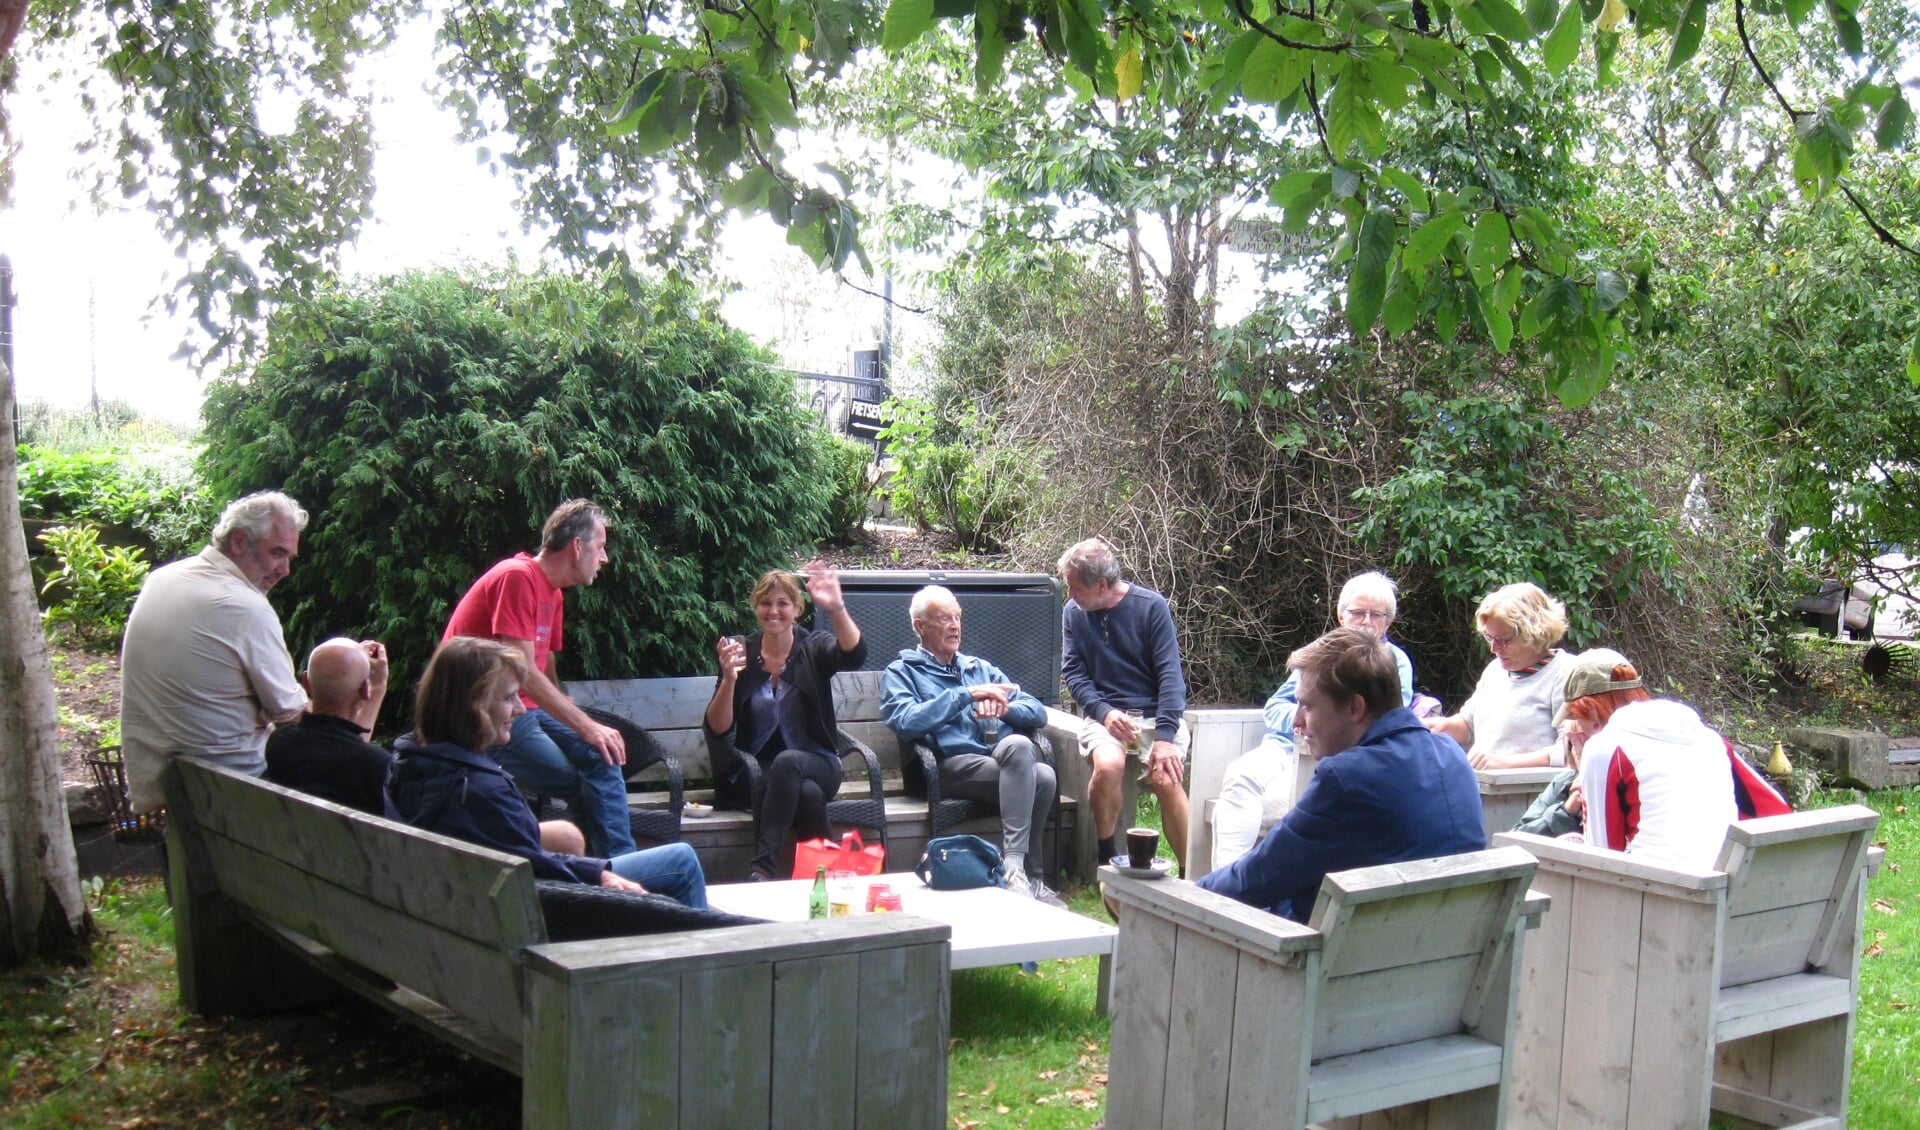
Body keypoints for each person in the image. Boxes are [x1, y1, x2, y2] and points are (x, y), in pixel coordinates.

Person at [388, 637, 707, 906]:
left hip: (470, 908)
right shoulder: (479, 790)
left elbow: (518, 854)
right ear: (477, 707)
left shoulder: (409, 763)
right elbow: (533, 869)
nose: (521, 708)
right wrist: (597, 874)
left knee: (569, 836)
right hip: (547, 915)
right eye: (510, 697)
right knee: (681, 861)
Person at [1197, 628, 1487, 922]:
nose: (1297, 721)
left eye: (1307, 706)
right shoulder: (1452, 755)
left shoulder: (1348, 779)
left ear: (1355, 707)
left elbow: (1256, 877)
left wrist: (1188, 896)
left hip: (1342, 962)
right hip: (1434, 952)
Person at [442, 499, 636, 858]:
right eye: (601, 546)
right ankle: (612, 875)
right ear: (577, 546)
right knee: (584, 784)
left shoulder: (554, 594)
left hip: (523, 708)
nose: (605, 558)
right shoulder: (516, 577)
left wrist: (569, 712)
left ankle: (613, 870)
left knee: (603, 755)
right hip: (488, 715)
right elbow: (523, 670)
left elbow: (544, 665)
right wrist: (586, 726)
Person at [120, 490, 310, 815]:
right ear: (239, 542)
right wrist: (363, 692)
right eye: (277, 553)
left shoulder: (162, 578)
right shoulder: (245, 607)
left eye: (289, 557)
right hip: (231, 792)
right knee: (342, 770)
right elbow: (294, 719)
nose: (284, 570)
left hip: (164, 785)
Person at [1214, 571, 1417, 870]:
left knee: (1267, 807)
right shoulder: (1322, 653)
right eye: (1358, 612)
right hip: (1283, 745)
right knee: (1239, 777)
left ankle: (1231, 892)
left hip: (1325, 758)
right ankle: (1218, 893)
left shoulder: (1391, 661)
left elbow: (1387, 717)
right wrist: (1300, 721)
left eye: (1377, 615)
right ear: (1340, 615)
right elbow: (1276, 705)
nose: (1366, 621)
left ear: (1389, 621)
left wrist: (1316, 724)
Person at [881, 585, 1061, 903]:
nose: (955, 625)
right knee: (1037, 771)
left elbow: (1036, 711)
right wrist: (966, 695)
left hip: (998, 758)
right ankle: (1022, 873)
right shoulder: (902, 672)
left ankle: (1023, 875)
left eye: (957, 617)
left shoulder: (979, 668)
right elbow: (906, 721)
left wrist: (1007, 708)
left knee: (1038, 767)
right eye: (944, 618)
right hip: (947, 765)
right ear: (920, 626)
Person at [703, 562, 867, 881]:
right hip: (758, 771)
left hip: (819, 763)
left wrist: (836, 608)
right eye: (765, 603)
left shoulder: (813, 647)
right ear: (755, 608)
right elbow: (718, 728)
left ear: (797, 609)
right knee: (805, 795)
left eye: (783, 603)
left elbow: (854, 654)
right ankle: (827, 874)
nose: (773, 611)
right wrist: (728, 679)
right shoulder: (743, 652)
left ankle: (763, 868)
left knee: (789, 762)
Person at [1562, 649, 1790, 868]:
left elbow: (1602, 857)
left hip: (1654, 892)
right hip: (1721, 879)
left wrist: (1585, 776)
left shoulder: (1604, 749)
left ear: (1592, 714)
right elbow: (1777, 810)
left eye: (1574, 716)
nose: (1575, 729)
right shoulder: (1709, 739)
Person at [1059, 537, 1192, 875]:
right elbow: (1073, 674)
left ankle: (1193, 874)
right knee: (1108, 766)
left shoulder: (1151, 607)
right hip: (1105, 714)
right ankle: (1107, 859)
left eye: (1075, 588)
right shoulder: (1073, 613)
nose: (1070, 595)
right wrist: (1104, 712)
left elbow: (1171, 677)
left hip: (1154, 714)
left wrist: (1164, 738)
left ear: (1102, 585)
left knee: (1167, 777)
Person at [1425, 582, 1578, 770]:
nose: (1494, 648)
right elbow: (1468, 726)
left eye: (1503, 640)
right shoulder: (1495, 670)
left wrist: (1506, 763)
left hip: (1533, 793)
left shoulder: (1566, 672)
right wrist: (1430, 726)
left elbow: (1572, 747)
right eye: (1490, 638)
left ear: (1535, 633)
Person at [264, 637, 396, 816]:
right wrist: (378, 688)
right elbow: (349, 751)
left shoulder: (280, 743)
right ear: (365, 690)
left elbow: (342, 746)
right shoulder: (377, 767)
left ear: (306, 683)